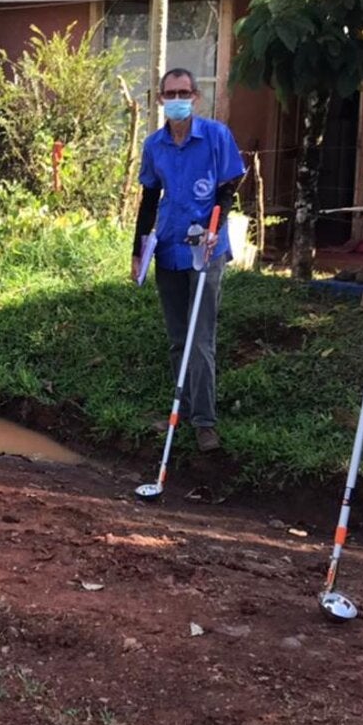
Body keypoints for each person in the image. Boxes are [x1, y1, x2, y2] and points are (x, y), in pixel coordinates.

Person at [132, 68, 245, 452]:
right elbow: (148, 199)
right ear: (161, 99)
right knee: (178, 337)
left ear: (195, 97)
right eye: (169, 93)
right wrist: (137, 251)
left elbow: (229, 184)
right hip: (168, 247)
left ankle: (204, 422)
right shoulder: (154, 145)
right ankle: (180, 407)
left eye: (183, 91)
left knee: (201, 337)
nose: (177, 98)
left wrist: (218, 223)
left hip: (206, 248)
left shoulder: (216, 136)